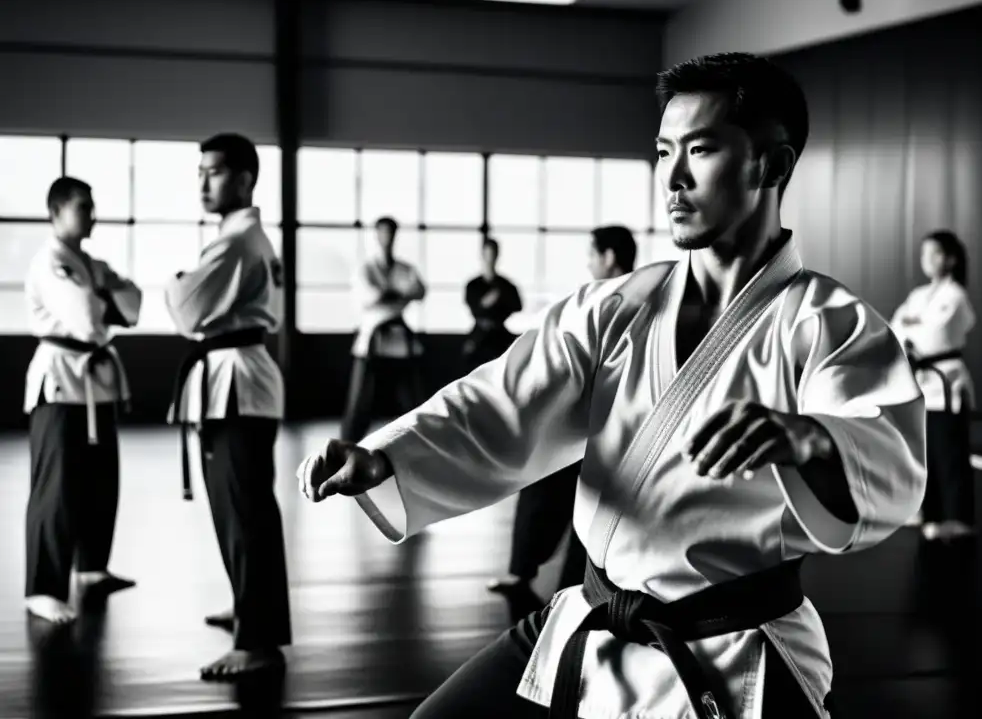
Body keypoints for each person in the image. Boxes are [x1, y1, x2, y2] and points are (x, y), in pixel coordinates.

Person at [297, 52, 927, 718]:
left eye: (701, 149)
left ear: (772, 165)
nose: (673, 178)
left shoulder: (829, 324)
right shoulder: (614, 307)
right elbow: (501, 401)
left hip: (731, 645)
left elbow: (886, 455)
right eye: (662, 152)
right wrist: (387, 453)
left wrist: (811, 439)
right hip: (592, 616)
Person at [165, 133, 291, 681]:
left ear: (243, 178)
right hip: (234, 378)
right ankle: (249, 606)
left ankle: (258, 641)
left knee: (244, 513)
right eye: (198, 172)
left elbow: (188, 310)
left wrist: (175, 283)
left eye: (212, 172)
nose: (202, 182)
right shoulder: (245, 237)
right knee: (238, 509)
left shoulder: (237, 242)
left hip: (237, 381)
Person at [486, 226, 636, 606]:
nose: (588, 261)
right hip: (596, 422)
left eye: (592, 253)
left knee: (581, 505)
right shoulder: (630, 297)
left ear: (609, 257)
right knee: (570, 500)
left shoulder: (613, 299)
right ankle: (545, 578)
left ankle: (561, 584)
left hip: (603, 426)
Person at [23, 176, 141, 624]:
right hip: (60, 382)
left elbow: (133, 305)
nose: (92, 214)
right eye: (82, 207)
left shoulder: (87, 263)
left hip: (96, 382)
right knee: (55, 488)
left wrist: (105, 299)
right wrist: (105, 300)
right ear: (56, 212)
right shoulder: (51, 262)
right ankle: (42, 587)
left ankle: (91, 566)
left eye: (92, 205)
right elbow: (88, 320)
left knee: (100, 477)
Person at [891, 230, 976, 541]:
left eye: (934, 253)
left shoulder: (956, 295)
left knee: (949, 452)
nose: (926, 258)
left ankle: (960, 518)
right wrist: (911, 330)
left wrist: (913, 329)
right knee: (922, 451)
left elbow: (935, 335)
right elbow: (895, 327)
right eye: (924, 252)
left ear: (950, 259)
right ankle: (927, 510)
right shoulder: (917, 295)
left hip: (946, 380)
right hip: (921, 383)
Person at [341, 216, 427, 444]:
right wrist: (397, 294)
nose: (387, 238)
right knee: (360, 403)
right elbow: (370, 296)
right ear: (376, 235)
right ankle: (348, 445)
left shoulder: (405, 268)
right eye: (383, 233)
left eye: (390, 233)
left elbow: (419, 291)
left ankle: (419, 443)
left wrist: (390, 293)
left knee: (412, 401)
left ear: (395, 236)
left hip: (400, 342)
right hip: (372, 340)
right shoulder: (365, 269)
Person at [463, 237, 523, 371]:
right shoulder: (473, 285)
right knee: (469, 361)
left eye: (493, 255)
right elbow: (475, 308)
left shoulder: (506, 285)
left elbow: (518, 306)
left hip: (500, 333)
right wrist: (489, 300)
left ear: (497, 256)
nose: (490, 259)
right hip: (479, 333)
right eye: (487, 255)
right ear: (482, 256)